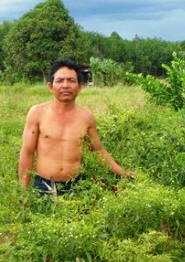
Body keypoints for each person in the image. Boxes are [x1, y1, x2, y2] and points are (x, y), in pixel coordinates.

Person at [18, 59, 133, 196]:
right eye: (60, 81)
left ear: (80, 87)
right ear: (50, 86)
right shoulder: (37, 113)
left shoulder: (86, 117)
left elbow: (97, 150)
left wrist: (121, 172)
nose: (65, 85)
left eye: (71, 80)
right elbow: (27, 152)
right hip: (44, 186)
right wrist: (22, 191)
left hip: (75, 186)